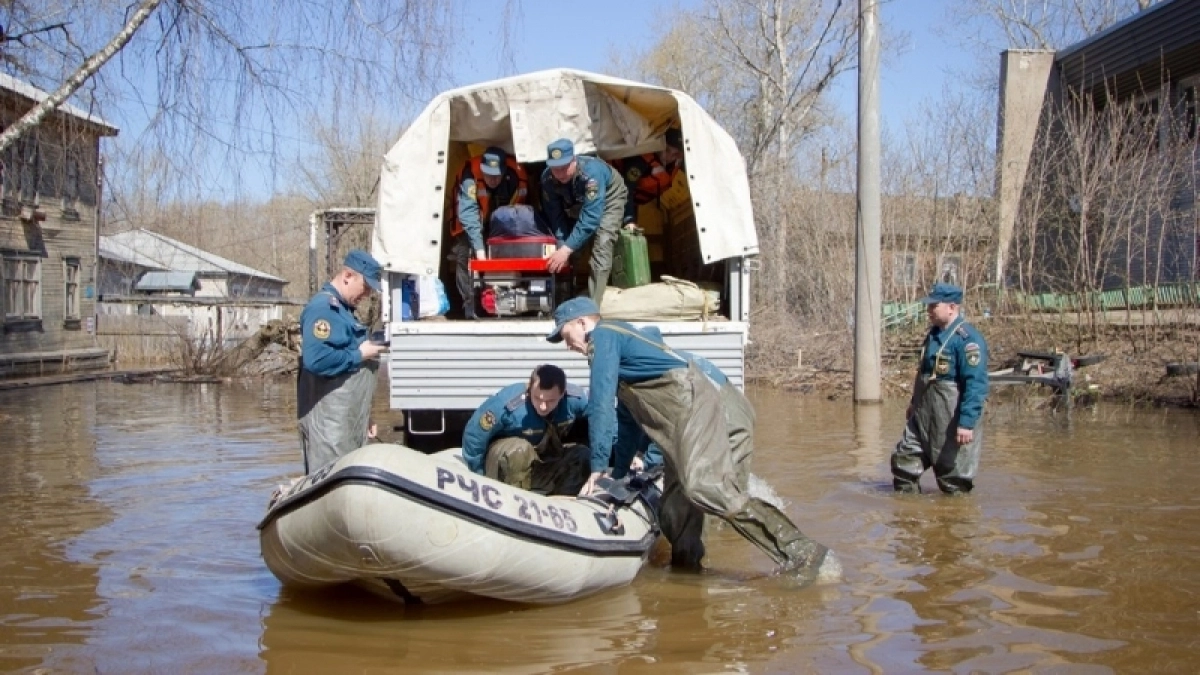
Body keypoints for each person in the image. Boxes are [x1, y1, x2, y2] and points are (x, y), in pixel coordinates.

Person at [546, 297, 836, 578]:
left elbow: (599, 403)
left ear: (583, 322)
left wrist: (597, 468)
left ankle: (802, 551)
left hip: (691, 408)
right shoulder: (618, 357)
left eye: (565, 334)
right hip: (676, 426)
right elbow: (628, 422)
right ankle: (687, 571)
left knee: (704, 488)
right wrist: (617, 477)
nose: (568, 345)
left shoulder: (604, 336)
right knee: (674, 506)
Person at [891, 282, 990, 495]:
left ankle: (954, 522)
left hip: (951, 420)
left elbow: (976, 384)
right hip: (923, 416)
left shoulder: (969, 341)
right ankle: (909, 519)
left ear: (951, 308)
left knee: (953, 479)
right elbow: (924, 373)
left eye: (934, 306)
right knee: (904, 464)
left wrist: (966, 423)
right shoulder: (933, 335)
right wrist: (914, 403)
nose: (929, 310)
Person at [297, 249, 388, 474]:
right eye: (365, 287)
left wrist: (365, 416)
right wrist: (360, 354)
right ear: (348, 276)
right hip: (330, 430)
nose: (366, 294)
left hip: (346, 423)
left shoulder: (344, 312)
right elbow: (316, 360)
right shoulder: (324, 309)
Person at [462, 364, 592, 496]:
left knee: (582, 455)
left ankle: (560, 503)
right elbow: (474, 435)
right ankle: (515, 499)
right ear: (530, 389)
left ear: (562, 393)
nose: (543, 406)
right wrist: (478, 476)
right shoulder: (507, 404)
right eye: (537, 398)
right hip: (507, 460)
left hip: (542, 459)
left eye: (551, 401)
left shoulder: (576, 399)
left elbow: (601, 418)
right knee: (520, 450)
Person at [541, 138, 628, 305]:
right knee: (566, 247)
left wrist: (565, 250)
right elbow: (555, 215)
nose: (559, 173)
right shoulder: (547, 179)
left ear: (574, 160)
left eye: (564, 167)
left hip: (610, 197)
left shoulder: (591, 174)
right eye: (555, 169)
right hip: (579, 202)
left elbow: (590, 219)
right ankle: (566, 297)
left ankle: (593, 306)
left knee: (602, 243)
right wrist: (562, 246)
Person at [450, 146, 529, 319]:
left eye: (496, 175)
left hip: (504, 226)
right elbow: (468, 215)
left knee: (509, 256)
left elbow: (522, 214)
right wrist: (480, 252)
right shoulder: (470, 177)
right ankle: (470, 304)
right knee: (465, 255)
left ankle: (506, 301)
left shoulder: (515, 178)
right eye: (488, 174)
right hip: (473, 224)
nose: (492, 179)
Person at [610, 128, 685, 228]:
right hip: (614, 197)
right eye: (667, 150)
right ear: (660, 145)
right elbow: (626, 188)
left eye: (676, 154)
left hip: (635, 201)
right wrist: (629, 220)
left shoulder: (677, 162)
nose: (670, 157)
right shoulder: (640, 160)